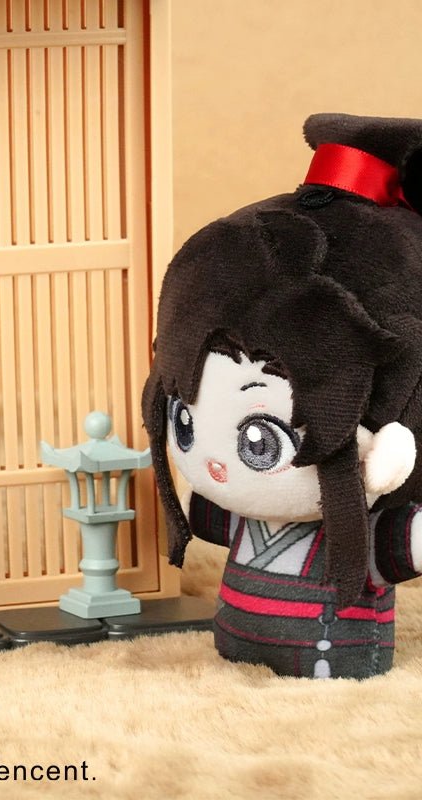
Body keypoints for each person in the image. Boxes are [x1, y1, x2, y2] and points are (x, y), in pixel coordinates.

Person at [142, 113, 422, 678]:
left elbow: (406, 542)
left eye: (258, 440)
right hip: (232, 654)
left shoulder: (353, 531)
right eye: (185, 423)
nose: (215, 465)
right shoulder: (241, 518)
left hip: (330, 666)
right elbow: (202, 515)